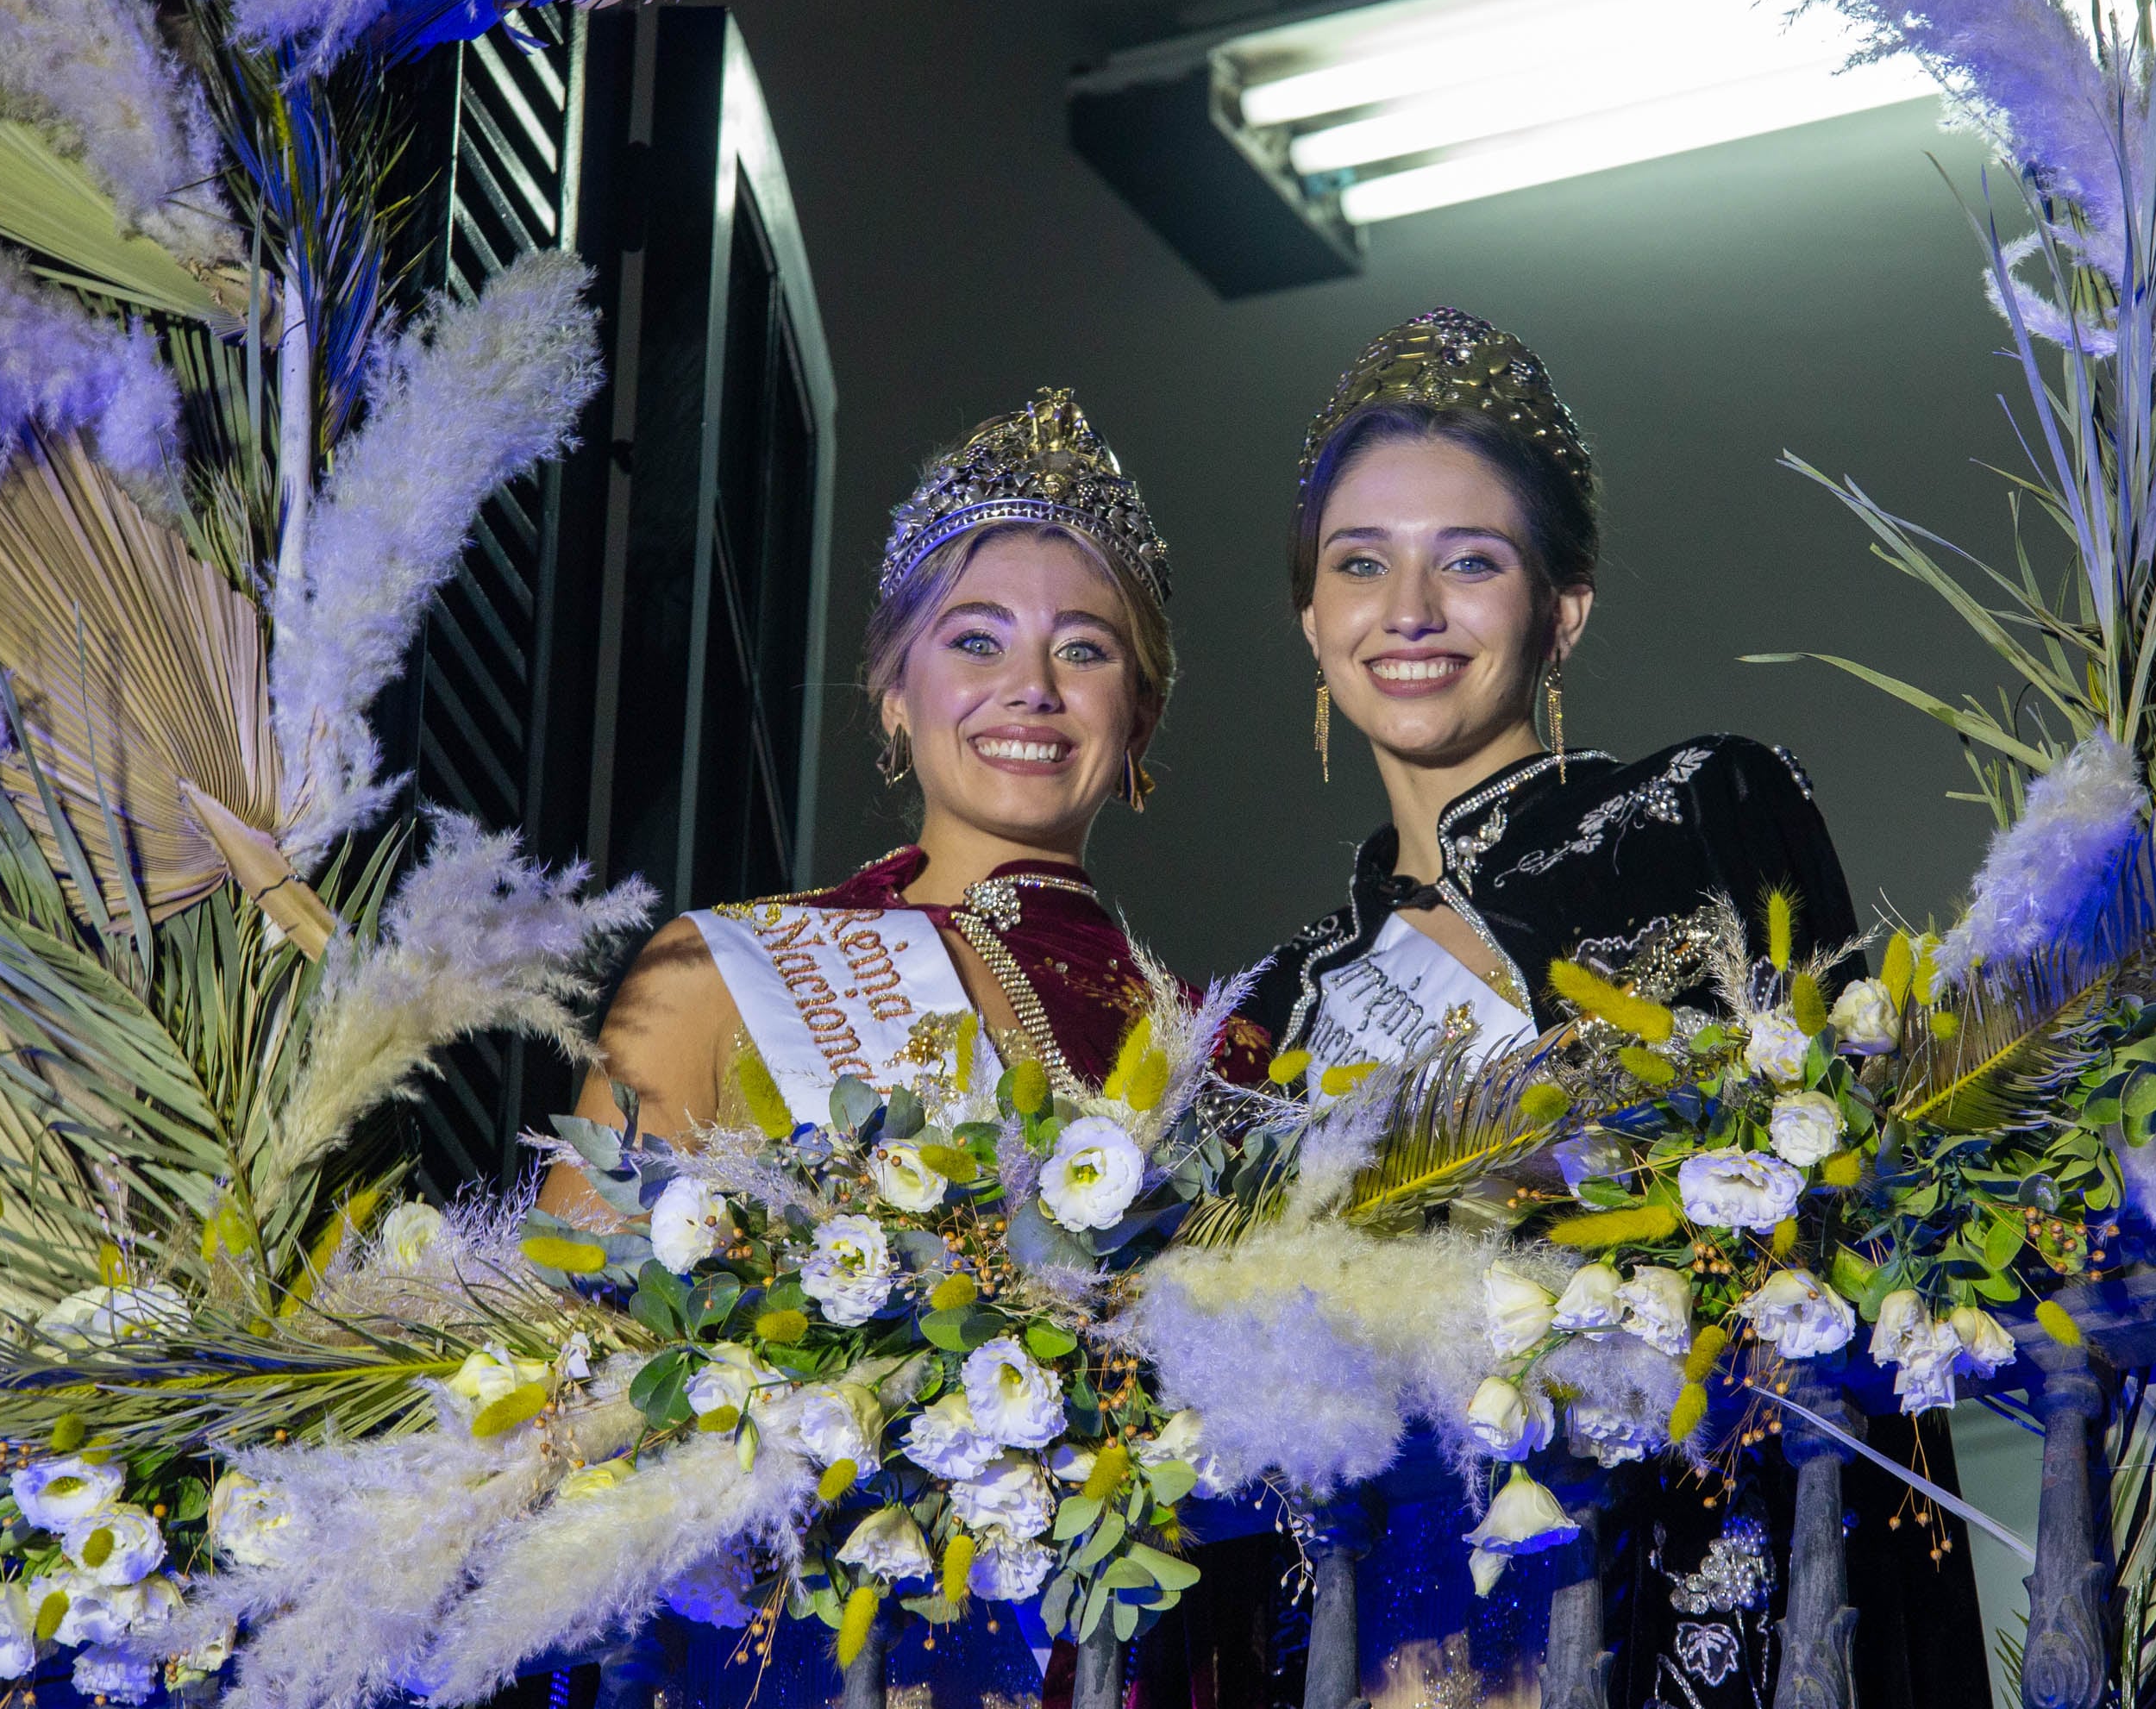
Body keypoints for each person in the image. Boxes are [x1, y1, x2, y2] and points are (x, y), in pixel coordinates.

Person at [1229, 311, 1984, 1709]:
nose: (1410, 608)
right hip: (1387, 1636)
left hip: (1673, 1585)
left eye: (1470, 560)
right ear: (1312, 622)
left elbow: (1840, 1202)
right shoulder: (1268, 1007)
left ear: (1563, 607)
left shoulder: (1697, 812)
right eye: (1360, 565)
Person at [542, 390, 1264, 1709]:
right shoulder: (721, 974)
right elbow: (564, 1362)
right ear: (892, 688)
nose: (1030, 691)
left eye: (1086, 651)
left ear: (1141, 721)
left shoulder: (1232, 1047)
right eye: (974, 639)